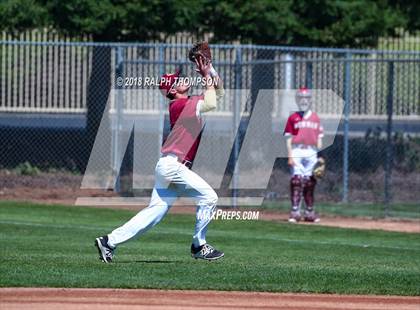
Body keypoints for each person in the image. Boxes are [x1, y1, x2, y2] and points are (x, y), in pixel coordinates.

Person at [95, 57, 225, 262]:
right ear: (172, 91)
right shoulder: (180, 104)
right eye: (177, 80)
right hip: (173, 166)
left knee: (153, 214)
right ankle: (198, 245)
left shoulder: (188, 103)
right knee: (210, 198)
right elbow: (211, 101)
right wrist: (207, 75)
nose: (182, 80)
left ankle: (108, 241)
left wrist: (211, 70)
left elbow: (218, 93)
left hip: (169, 167)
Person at [284, 87, 323, 223]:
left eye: (306, 98)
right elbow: (288, 139)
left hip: (311, 151)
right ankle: (295, 211)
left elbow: (319, 139)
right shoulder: (293, 118)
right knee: (296, 180)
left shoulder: (315, 118)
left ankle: (309, 212)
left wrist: (320, 157)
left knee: (309, 182)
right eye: (301, 98)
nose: (304, 100)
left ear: (310, 100)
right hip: (297, 150)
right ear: (297, 99)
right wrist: (290, 155)